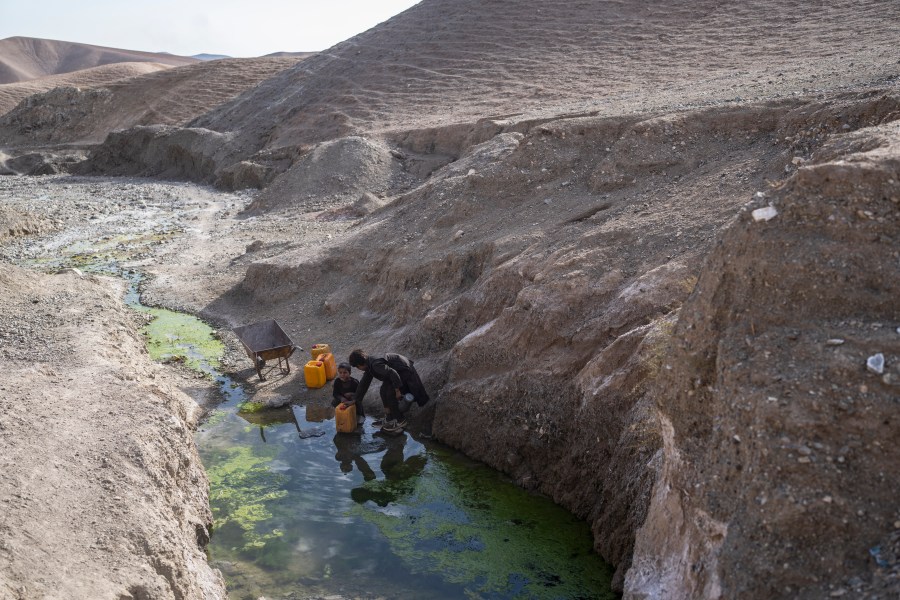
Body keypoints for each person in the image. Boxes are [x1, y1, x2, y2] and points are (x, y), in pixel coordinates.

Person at [348, 349, 430, 434]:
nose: (359, 369)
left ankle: (399, 420)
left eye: (357, 367)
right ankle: (389, 417)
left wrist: (397, 390)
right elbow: (364, 383)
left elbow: (393, 373)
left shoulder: (375, 365)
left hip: (404, 371)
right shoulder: (369, 364)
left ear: (360, 364)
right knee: (383, 391)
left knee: (390, 394)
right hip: (396, 372)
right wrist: (355, 399)